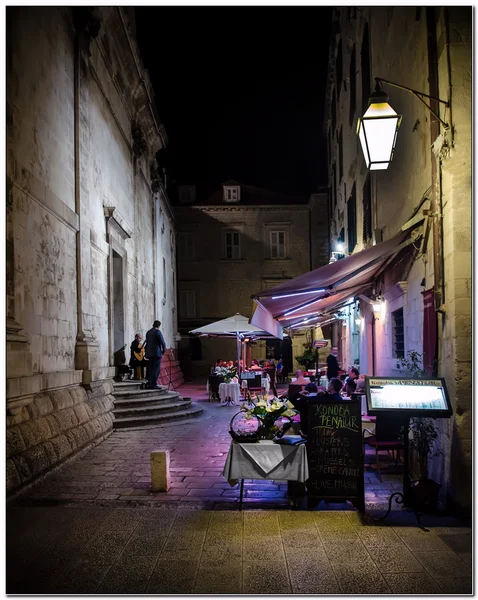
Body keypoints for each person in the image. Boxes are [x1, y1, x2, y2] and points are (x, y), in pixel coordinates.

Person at [145, 320, 166, 389]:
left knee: (150, 368)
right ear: (158, 326)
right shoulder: (157, 332)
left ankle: (149, 382)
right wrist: (164, 350)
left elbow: (147, 342)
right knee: (156, 369)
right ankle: (153, 384)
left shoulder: (148, 332)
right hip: (156, 353)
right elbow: (162, 342)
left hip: (149, 353)